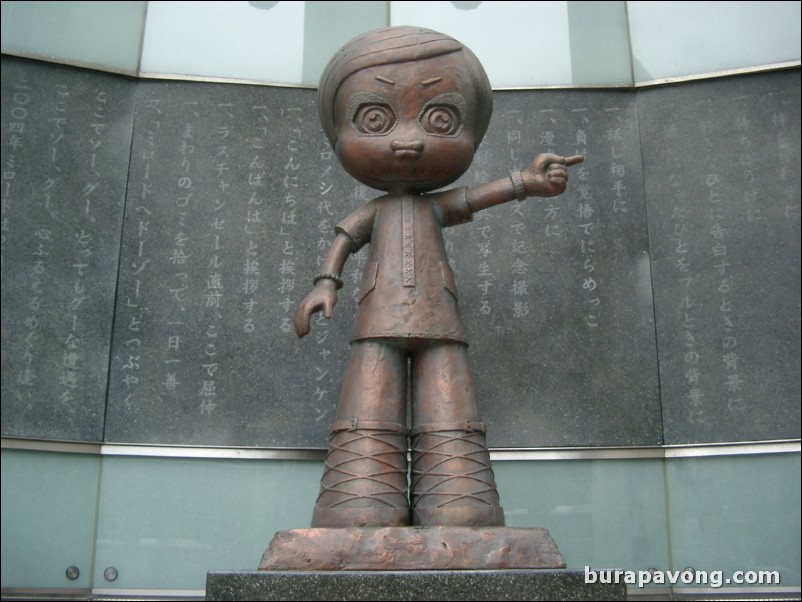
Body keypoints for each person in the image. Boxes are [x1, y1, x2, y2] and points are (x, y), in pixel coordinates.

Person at [294, 26, 582, 529]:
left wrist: (529, 183)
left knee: (448, 403)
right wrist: (325, 284)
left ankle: (459, 500)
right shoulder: (374, 210)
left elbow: (475, 197)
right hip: (376, 312)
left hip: (439, 311)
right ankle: (359, 499)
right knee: (368, 399)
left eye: (439, 118)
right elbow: (344, 240)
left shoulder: (435, 208)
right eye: (376, 118)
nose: (407, 140)